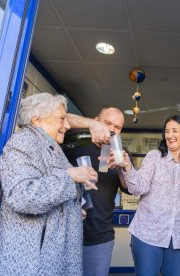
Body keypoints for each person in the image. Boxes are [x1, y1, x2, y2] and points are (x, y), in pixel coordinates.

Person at [0, 93, 98, 275]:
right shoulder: (23, 143)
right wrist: (70, 176)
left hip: (50, 259)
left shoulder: (51, 148)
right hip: (33, 262)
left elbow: (51, 192)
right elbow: (22, 196)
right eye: (62, 118)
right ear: (37, 119)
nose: (67, 125)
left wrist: (72, 210)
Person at [115, 115, 180, 276]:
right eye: (167, 131)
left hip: (179, 237)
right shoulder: (154, 156)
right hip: (148, 234)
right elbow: (139, 187)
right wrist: (127, 167)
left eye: (175, 130)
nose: (169, 135)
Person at [65, 107, 132, 276]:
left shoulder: (121, 153)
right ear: (96, 120)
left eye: (117, 127)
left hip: (100, 236)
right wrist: (90, 124)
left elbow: (129, 189)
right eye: (107, 123)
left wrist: (121, 168)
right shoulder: (76, 141)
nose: (111, 130)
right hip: (66, 233)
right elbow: (60, 118)